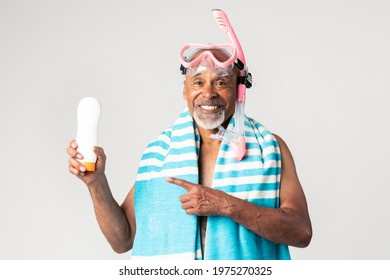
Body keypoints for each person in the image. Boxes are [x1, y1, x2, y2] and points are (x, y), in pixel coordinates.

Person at [66, 47, 312, 260]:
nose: (208, 93)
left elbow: (301, 232)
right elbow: (122, 240)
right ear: (185, 90)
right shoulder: (159, 155)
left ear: (238, 91)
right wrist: (96, 183)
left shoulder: (270, 148)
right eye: (198, 82)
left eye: (221, 82)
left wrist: (226, 205)